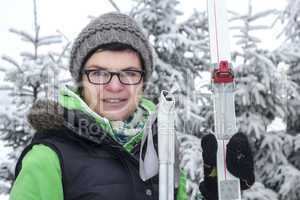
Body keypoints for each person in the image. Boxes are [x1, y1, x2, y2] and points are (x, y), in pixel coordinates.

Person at [9, 12, 254, 200]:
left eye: (129, 73)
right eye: (99, 73)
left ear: (143, 81)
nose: (115, 87)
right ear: (80, 80)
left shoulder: (161, 146)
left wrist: (215, 191)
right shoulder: (47, 158)